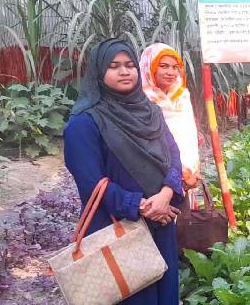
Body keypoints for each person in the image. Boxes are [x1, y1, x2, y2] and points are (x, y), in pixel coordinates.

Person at [63, 39, 183, 304]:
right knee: (131, 294)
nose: (125, 71)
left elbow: (173, 154)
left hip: (160, 223)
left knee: (164, 292)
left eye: (129, 65)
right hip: (118, 227)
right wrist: (141, 206)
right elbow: (91, 183)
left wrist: (165, 194)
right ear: (98, 72)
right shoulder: (84, 123)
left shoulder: (150, 112)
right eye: (114, 66)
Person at [140, 43, 201, 191]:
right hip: (157, 175)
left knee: (187, 213)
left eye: (175, 67)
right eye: (164, 66)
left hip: (189, 173)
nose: (171, 72)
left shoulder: (182, 96)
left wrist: (193, 170)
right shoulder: (141, 100)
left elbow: (189, 135)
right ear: (150, 67)